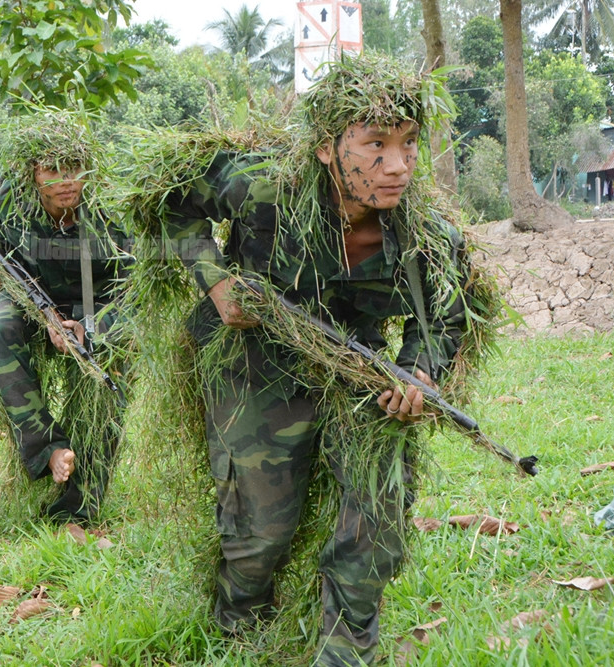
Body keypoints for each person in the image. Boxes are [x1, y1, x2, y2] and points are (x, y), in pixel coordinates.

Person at [157, 54, 493, 664]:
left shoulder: (425, 237)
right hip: (252, 358)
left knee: (378, 507)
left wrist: (419, 371)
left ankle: (344, 648)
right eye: (375, 145)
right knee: (261, 531)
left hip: (358, 367)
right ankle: (239, 621)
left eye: (410, 144)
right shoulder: (260, 187)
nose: (398, 167)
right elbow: (173, 201)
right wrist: (214, 281)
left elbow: (446, 313)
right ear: (325, 148)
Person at [0, 115, 129, 522]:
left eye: (76, 170)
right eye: (53, 171)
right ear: (32, 175)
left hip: (97, 304)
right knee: (1, 328)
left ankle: (77, 504)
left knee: (107, 369)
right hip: (29, 296)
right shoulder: (6, 200)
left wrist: (93, 326)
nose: (67, 182)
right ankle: (46, 446)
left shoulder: (110, 215)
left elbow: (133, 289)